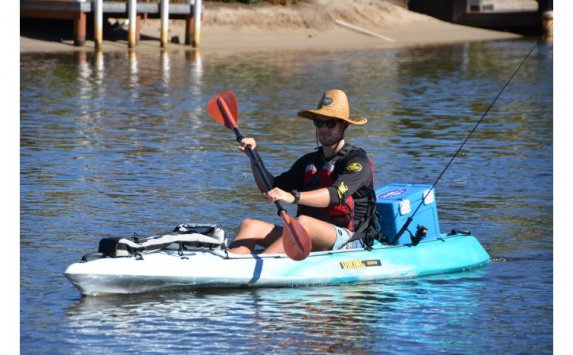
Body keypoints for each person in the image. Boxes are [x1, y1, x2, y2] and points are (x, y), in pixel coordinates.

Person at [228, 89, 381, 255]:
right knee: (249, 226)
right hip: (307, 233)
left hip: (350, 240)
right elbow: (271, 188)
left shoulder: (357, 162)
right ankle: (230, 270)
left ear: (345, 125)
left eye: (331, 123)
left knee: (303, 223)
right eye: (319, 122)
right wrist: (253, 157)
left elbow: (336, 194)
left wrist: (294, 197)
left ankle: (256, 270)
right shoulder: (309, 162)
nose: (324, 128)